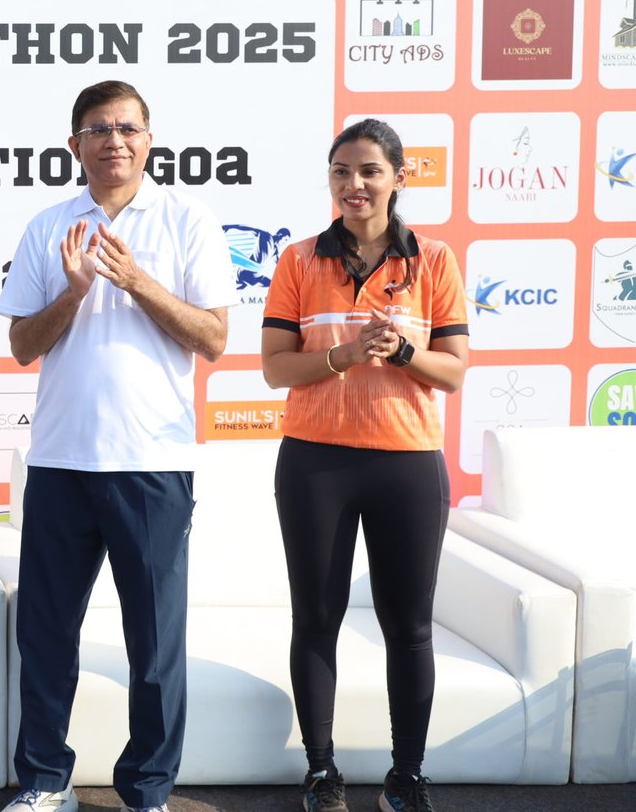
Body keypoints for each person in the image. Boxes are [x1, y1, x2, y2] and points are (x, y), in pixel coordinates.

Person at [0, 80, 236, 812]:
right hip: (61, 461)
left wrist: (136, 281)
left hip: (152, 465)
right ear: (75, 145)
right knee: (45, 636)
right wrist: (73, 293)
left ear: (149, 140)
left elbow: (214, 338)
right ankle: (45, 782)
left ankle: (148, 791)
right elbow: (21, 346)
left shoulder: (188, 219)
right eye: (99, 129)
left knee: (155, 645)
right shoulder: (49, 226)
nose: (115, 142)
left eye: (128, 128)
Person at [259, 119, 468, 812]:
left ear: (399, 178)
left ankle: (407, 775)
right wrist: (344, 355)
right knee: (316, 618)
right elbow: (275, 369)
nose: (354, 184)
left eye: (369, 171)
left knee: (409, 626)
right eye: (341, 171)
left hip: (407, 464)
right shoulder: (298, 260)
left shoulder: (434, 260)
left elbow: (453, 372)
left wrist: (402, 352)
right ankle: (322, 773)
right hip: (315, 462)